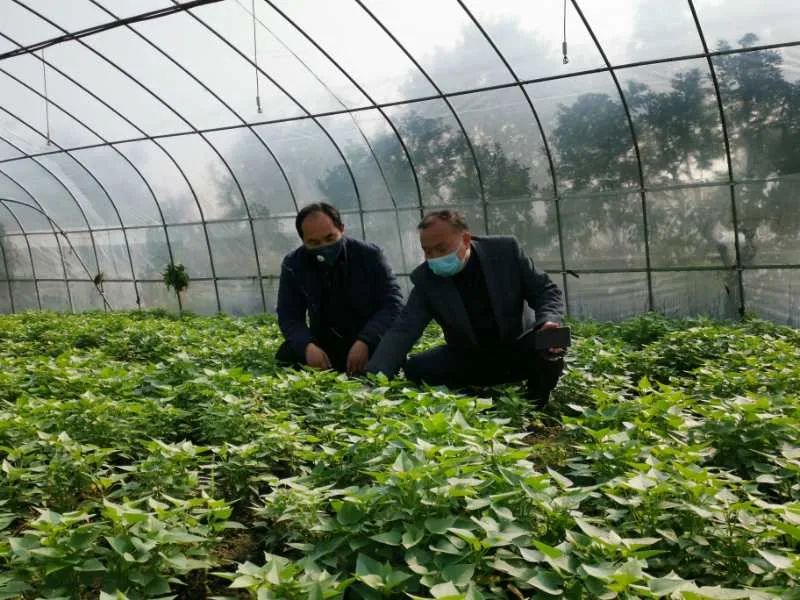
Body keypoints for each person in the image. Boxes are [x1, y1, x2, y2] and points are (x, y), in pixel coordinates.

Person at [366, 210, 566, 404]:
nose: (434, 257)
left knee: (555, 337)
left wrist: (549, 321)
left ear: (466, 239)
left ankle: (536, 400)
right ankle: (475, 401)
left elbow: (545, 291)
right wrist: (373, 379)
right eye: (427, 251)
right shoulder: (427, 279)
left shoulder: (504, 251)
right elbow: (404, 329)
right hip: (470, 357)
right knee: (415, 368)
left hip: (516, 347)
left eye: (441, 249)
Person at [276, 202, 403, 375]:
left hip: (368, 336)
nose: (323, 246)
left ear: (341, 229)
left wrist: (365, 341)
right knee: (287, 355)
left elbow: (392, 304)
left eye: (330, 238)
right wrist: (307, 346)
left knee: (385, 360)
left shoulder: (369, 255)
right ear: (303, 240)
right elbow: (289, 316)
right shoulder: (294, 264)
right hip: (325, 340)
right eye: (314, 242)